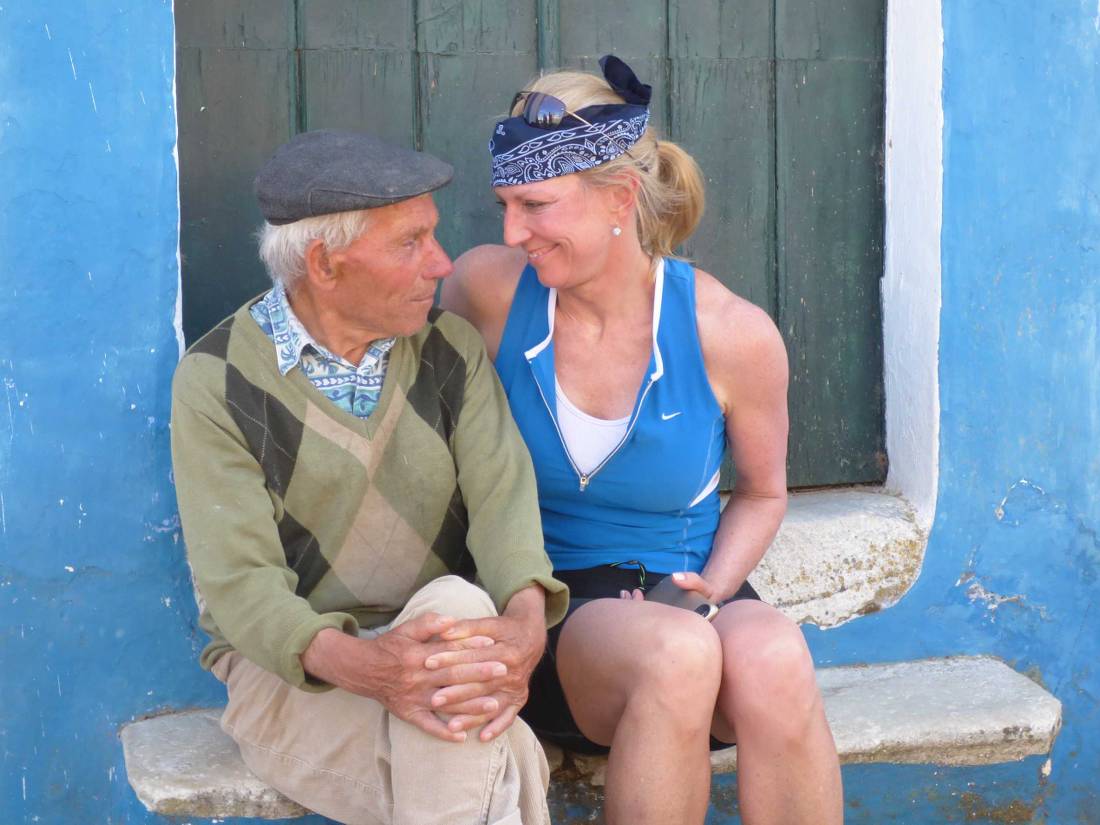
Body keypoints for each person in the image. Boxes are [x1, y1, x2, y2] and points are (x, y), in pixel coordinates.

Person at [439, 57, 844, 825]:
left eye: (535, 204)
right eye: (504, 204)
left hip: (684, 589)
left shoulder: (731, 333)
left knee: (774, 653)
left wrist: (717, 585)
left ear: (620, 196)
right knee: (676, 653)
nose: (511, 231)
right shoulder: (485, 294)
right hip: (553, 609)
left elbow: (763, 490)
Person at [170, 129, 568, 825]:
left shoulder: (450, 350)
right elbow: (242, 587)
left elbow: (504, 499)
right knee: (504, 761)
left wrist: (527, 621)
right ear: (324, 264)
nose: (442, 264)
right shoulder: (217, 380)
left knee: (457, 612)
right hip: (295, 676)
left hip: (448, 649)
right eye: (410, 243)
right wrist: (378, 670)